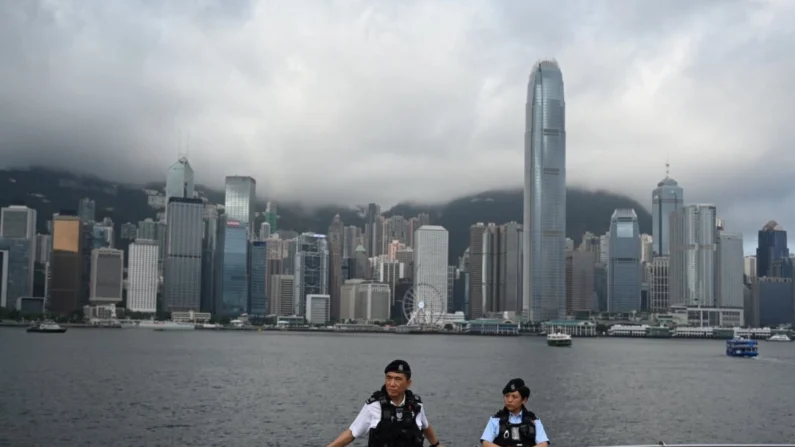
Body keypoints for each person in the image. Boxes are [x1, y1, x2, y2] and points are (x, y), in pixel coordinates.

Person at [326, 359, 443, 447]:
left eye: (398, 379)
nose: (391, 384)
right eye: (388, 378)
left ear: (408, 383)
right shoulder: (373, 406)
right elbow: (351, 433)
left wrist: (436, 444)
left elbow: (425, 426)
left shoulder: (416, 405)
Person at [480, 378, 550, 447]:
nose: (509, 400)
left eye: (514, 397)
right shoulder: (496, 420)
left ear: (524, 400)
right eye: (507, 396)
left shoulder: (534, 421)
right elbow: (486, 443)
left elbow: (544, 444)